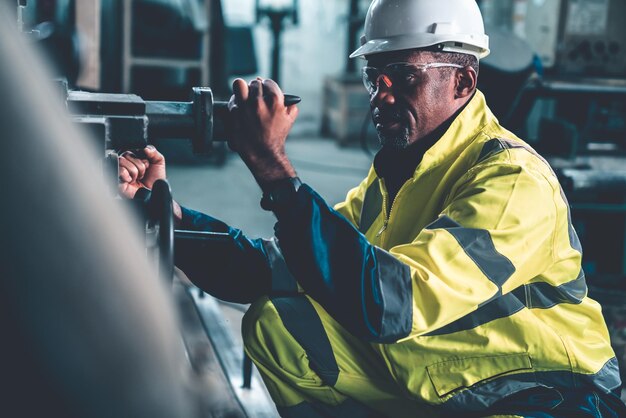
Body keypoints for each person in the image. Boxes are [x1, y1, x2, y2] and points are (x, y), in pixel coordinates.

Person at [119, 0, 626, 416]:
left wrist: (273, 168)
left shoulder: (512, 182)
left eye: (403, 76)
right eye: (374, 76)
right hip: (445, 377)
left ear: (463, 83)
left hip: (545, 392)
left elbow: (388, 305)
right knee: (281, 327)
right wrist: (164, 211)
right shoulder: (397, 174)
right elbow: (273, 269)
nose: (380, 95)